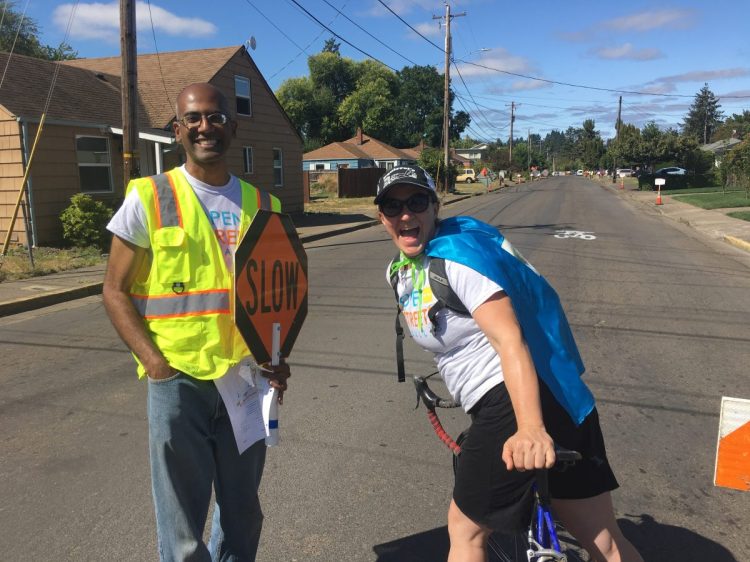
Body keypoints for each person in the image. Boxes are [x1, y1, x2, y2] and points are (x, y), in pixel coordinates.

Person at [376, 164, 643, 562]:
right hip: (560, 395)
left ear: (436, 205)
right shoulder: (400, 271)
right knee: (602, 539)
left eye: (416, 202)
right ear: (381, 217)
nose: (405, 215)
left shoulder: (458, 261)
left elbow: (510, 340)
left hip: (515, 399)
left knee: (464, 529)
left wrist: (530, 428)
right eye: (392, 206)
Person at [103, 82, 290, 561]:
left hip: (245, 379)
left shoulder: (264, 206)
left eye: (215, 117)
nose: (205, 127)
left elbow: (279, 296)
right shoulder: (150, 196)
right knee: (182, 522)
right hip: (178, 379)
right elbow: (114, 290)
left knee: (243, 512)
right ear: (177, 130)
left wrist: (276, 357)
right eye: (194, 118)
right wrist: (155, 364)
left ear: (233, 125)